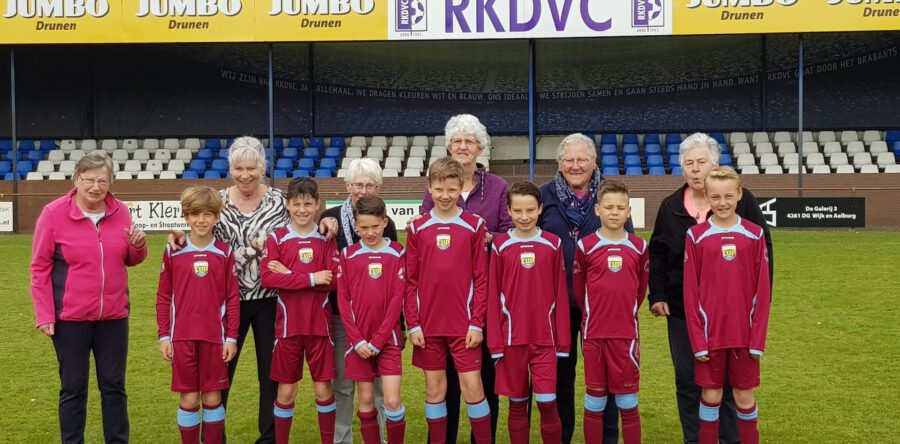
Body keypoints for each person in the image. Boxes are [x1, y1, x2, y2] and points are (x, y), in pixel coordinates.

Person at [168, 136, 337, 444]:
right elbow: (199, 227)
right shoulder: (218, 201)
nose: (245, 175)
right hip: (225, 301)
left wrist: (327, 221)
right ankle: (214, 439)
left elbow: (305, 218)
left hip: (271, 300)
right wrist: (179, 233)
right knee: (220, 373)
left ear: (262, 167)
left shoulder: (279, 201)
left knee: (270, 375)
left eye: (251, 168)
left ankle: (268, 438)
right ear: (230, 169)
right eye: (238, 168)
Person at [648, 133, 774, 444]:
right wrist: (658, 294)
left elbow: (764, 255)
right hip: (683, 309)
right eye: (689, 163)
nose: (695, 168)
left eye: (701, 162)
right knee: (688, 379)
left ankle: (730, 438)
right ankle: (695, 439)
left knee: (731, 384)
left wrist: (756, 307)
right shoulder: (670, 206)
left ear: (714, 164)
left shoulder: (742, 201)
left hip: (735, 314)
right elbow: (657, 253)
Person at [30, 151, 148, 444]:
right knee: (73, 388)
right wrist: (44, 314)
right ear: (76, 179)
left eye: (102, 181)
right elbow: (39, 268)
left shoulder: (121, 211)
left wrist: (138, 246)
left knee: (114, 387)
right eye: (89, 180)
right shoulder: (53, 214)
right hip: (70, 320)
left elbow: (131, 259)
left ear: (111, 182)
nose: (96, 187)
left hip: (114, 318)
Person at [420, 114, 512, 443]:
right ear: (449, 146)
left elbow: (509, 234)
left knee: (483, 375)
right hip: (444, 299)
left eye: (469, 141)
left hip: (484, 294)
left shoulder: (498, 187)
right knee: (443, 379)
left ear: (480, 147)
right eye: (457, 141)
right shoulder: (436, 186)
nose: (463, 146)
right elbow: (426, 232)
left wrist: (485, 238)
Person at [539, 133, 627, 444]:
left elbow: (628, 247)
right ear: (559, 163)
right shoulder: (544, 195)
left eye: (582, 159)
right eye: (569, 159)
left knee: (605, 375)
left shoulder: (610, 194)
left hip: (600, 306)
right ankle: (562, 436)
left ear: (593, 161)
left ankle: (606, 438)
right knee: (561, 375)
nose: (575, 165)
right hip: (557, 301)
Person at [406, 157, 492, 444]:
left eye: (452, 190)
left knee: (473, 388)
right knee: (434, 390)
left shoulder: (474, 226)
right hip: (428, 326)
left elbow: (481, 278)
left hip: (464, 326)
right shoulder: (417, 228)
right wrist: (413, 324)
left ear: (460, 189)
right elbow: (411, 281)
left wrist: (477, 323)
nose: (445, 195)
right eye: (439, 189)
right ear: (429, 188)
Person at [683, 167, 771, 444]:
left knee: (744, 396)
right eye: (716, 197)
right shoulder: (695, 236)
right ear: (706, 197)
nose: (722, 203)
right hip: (710, 337)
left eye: (728, 196)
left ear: (739, 194)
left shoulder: (755, 234)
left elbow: (763, 292)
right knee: (711, 396)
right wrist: (698, 342)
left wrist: (757, 340)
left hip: (744, 337)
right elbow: (690, 294)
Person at [321, 158, 398, 444]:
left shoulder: (386, 223)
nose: (364, 191)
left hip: (379, 319)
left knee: (378, 385)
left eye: (370, 185)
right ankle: (342, 439)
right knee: (343, 384)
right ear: (347, 186)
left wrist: (398, 325)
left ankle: (379, 438)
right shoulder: (329, 218)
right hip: (342, 316)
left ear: (379, 188)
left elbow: (393, 274)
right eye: (358, 185)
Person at [156, 186, 240, 444]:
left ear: (217, 217)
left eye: (207, 214)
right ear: (186, 216)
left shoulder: (224, 252)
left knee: (213, 398)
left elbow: (232, 299)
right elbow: (163, 296)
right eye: (195, 214)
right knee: (189, 398)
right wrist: (164, 336)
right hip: (182, 338)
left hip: (215, 338)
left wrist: (231, 338)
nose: (201, 220)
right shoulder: (173, 250)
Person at [487, 181, 569, 444]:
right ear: (509, 211)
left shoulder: (553, 244)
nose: (524, 217)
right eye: (518, 211)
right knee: (517, 404)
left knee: (547, 402)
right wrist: (495, 343)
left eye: (530, 210)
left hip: (545, 340)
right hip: (512, 340)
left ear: (540, 209)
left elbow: (561, 295)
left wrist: (563, 342)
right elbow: (492, 296)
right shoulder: (500, 245)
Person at [260, 178, 339, 444]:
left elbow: (334, 281)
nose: (302, 210)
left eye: (307, 204)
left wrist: (289, 275)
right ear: (287, 205)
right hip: (288, 328)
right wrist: (312, 278)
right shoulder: (277, 238)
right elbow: (268, 279)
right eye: (296, 204)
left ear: (317, 205)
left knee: (323, 389)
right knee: (286, 392)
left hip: (320, 327)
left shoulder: (326, 238)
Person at [573, 180, 649, 444]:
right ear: (598, 210)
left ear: (628, 212)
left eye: (620, 207)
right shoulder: (585, 246)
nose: (614, 212)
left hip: (626, 335)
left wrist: (623, 312)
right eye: (608, 207)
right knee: (594, 399)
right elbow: (580, 289)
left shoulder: (639, 247)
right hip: (594, 335)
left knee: (627, 401)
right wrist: (594, 315)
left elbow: (640, 290)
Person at [336, 196, 407, 444]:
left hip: (388, 340)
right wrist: (357, 341)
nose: (370, 232)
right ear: (355, 226)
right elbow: (343, 301)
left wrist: (378, 340)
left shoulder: (397, 252)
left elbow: (397, 300)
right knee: (365, 400)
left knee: (392, 400)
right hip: (359, 343)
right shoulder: (348, 255)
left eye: (375, 226)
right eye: (363, 227)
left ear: (385, 222)